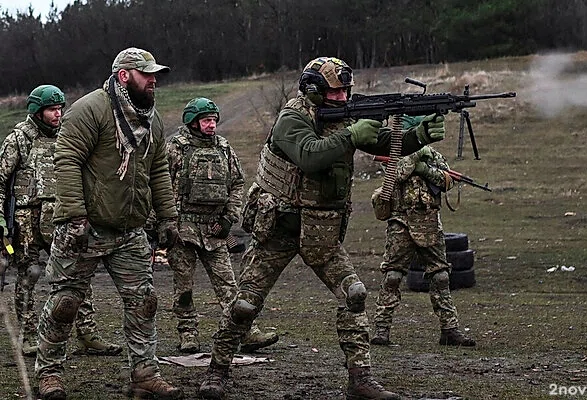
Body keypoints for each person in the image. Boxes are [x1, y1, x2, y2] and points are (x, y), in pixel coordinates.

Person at [198, 56, 434, 400]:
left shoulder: (344, 117)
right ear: (312, 89)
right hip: (278, 227)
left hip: (321, 230)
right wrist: (352, 135)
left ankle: (361, 379)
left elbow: (385, 143)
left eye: (346, 92)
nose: (342, 99)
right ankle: (216, 372)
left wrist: (420, 133)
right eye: (335, 93)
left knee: (354, 294)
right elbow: (310, 155)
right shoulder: (291, 117)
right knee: (245, 305)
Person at [35, 48, 183, 400]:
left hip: (129, 230)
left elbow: (157, 169)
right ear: (123, 76)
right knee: (64, 304)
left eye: (155, 74)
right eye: (146, 74)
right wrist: (74, 217)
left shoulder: (151, 118)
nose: (153, 80)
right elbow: (66, 159)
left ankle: (144, 373)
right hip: (84, 228)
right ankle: (49, 374)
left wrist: (167, 217)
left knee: (144, 302)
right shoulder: (90, 110)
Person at [0, 85, 121, 358]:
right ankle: (27, 336)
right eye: (52, 110)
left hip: (63, 217)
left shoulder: (70, 135)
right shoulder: (19, 139)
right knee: (29, 275)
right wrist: (1, 222)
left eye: (60, 109)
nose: (58, 114)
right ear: (37, 111)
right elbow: (0, 181)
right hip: (27, 220)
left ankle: (87, 333)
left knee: (78, 275)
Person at [166, 97, 278, 354]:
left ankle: (245, 332)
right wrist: (162, 224)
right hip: (182, 230)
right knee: (184, 288)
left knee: (229, 286)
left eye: (214, 120)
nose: (211, 125)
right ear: (193, 122)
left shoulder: (224, 148)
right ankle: (188, 334)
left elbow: (237, 183)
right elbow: (159, 184)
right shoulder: (175, 148)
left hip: (215, 231)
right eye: (206, 120)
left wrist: (229, 218)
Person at [370, 115, 476, 347]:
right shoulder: (395, 155)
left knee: (440, 276)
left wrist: (425, 169)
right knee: (393, 276)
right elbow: (398, 173)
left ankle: (450, 329)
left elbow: (447, 180)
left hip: (429, 222)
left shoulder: (434, 156)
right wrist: (416, 156)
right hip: (401, 222)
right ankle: (381, 329)